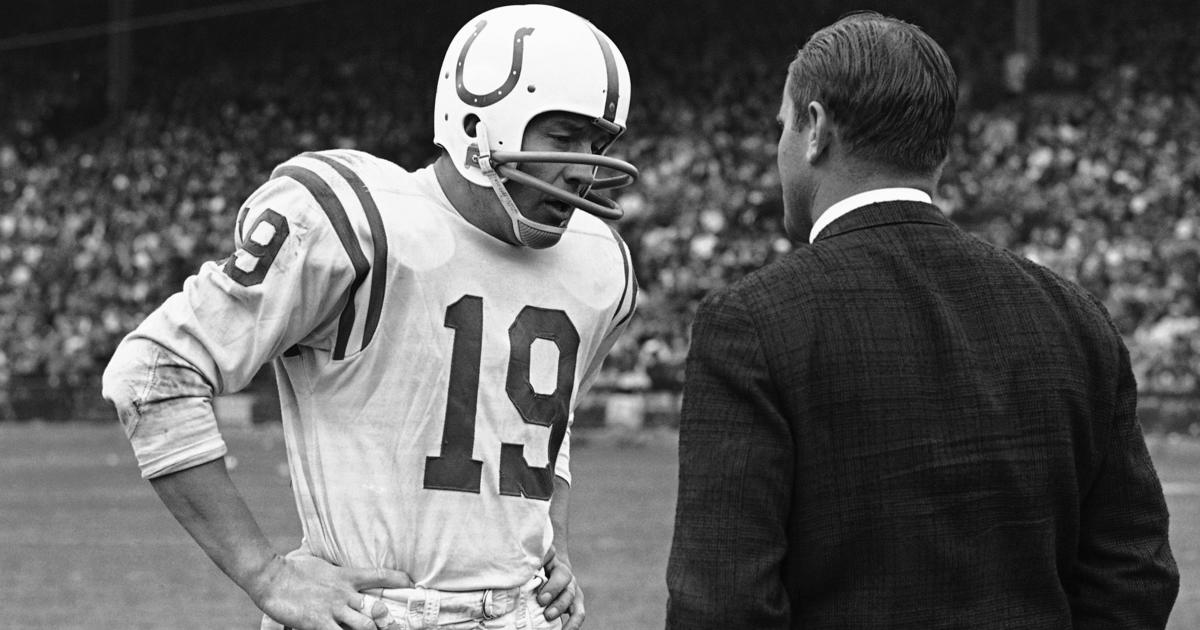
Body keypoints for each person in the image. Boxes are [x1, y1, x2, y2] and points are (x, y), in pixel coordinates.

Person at [102, 5, 639, 630]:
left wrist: (553, 545)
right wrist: (266, 575)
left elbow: (549, 423)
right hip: (377, 615)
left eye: (599, 145)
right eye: (564, 137)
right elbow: (153, 375)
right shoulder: (359, 219)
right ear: (480, 123)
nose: (585, 167)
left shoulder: (600, 263)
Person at [666, 11, 1178, 629]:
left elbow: (722, 607)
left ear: (815, 130)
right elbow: (1134, 574)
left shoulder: (751, 323)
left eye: (782, 127)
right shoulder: (1073, 316)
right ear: (937, 149)